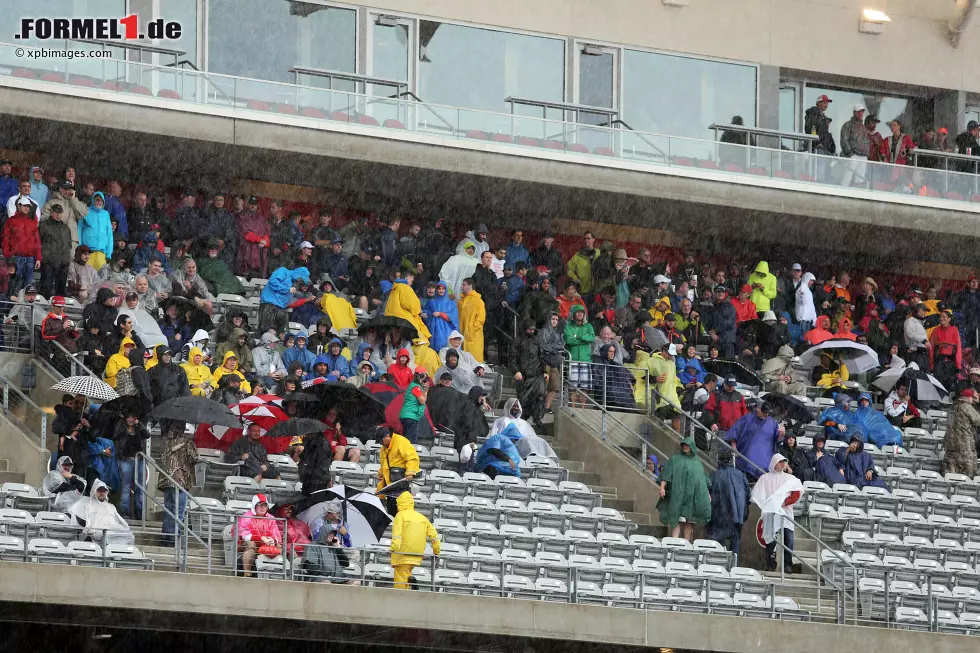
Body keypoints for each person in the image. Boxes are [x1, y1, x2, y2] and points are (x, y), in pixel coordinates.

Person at [751, 454, 803, 573]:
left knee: (788, 538)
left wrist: (784, 502)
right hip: (771, 512)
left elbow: (796, 493)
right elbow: (758, 494)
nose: (783, 464)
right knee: (770, 537)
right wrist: (767, 504)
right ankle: (770, 563)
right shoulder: (765, 478)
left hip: (785, 512)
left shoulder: (790, 479)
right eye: (781, 462)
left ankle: (787, 564)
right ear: (774, 463)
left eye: (785, 462)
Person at [657, 436, 711, 542]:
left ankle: (686, 543)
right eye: (684, 445)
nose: (685, 447)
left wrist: (707, 494)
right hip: (678, 495)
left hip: (692, 497)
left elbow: (702, 480)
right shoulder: (674, 459)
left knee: (689, 521)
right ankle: (674, 542)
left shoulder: (697, 462)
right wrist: (662, 487)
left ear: (692, 447)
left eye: (688, 445)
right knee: (676, 519)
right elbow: (666, 474)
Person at [390, 491, 441, 589]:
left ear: (400, 503)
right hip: (416, 554)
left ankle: (400, 598)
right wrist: (436, 551)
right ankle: (410, 590)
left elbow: (397, 534)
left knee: (400, 579)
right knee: (407, 575)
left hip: (402, 553)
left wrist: (393, 547)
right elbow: (434, 536)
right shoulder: (422, 517)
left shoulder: (400, 515)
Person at [705, 451, 750, 554]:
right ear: (731, 460)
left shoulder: (714, 475)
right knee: (735, 544)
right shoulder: (740, 475)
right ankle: (733, 567)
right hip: (736, 516)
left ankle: (719, 566)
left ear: (718, 460)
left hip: (718, 515)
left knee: (718, 545)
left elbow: (707, 494)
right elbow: (747, 494)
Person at [727, 401, 784, 481]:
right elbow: (734, 432)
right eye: (764, 412)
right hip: (746, 461)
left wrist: (781, 435)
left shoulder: (772, 422)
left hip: (765, 463)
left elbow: (778, 440)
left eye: (767, 412)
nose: (766, 414)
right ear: (757, 409)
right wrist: (734, 447)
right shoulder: (747, 419)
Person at [69, 479, 135, 546]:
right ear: (95, 491)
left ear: (106, 492)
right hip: (96, 532)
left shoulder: (111, 506)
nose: (102, 493)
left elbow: (120, 521)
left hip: (112, 531)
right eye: (99, 490)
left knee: (130, 536)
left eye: (104, 491)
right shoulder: (87, 503)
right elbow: (76, 512)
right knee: (106, 536)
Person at [112, 413, 150, 519]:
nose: (130, 419)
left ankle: (139, 513)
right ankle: (125, 513)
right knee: (126, 487)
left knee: (140, 488)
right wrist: (121, 422)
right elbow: (115, 435)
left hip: (140, 460)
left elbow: (147, 435)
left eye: (132, 417)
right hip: (126, 460)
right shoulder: (121, 428)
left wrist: (140, 425)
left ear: (135, 418)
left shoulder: (139, 428)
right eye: (128, 417)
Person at [376, 426, 421, 515]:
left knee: (402, 508)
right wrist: (381, 473)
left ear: (387, 436)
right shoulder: (383, 448)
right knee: (391, 509)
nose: (381, 444)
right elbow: (383, 463)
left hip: (401, 483)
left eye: (381, 441)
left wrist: (410, 473)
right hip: (390, 485)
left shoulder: (401, 441)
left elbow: (412, 458)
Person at [3, 197, 42, 297]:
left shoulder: (32, 223)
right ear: (18, 206)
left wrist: (38, 258)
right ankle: (11, 309)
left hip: (29, 258)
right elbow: (5, 238)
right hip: (16, 258)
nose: (26, 208)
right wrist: (8, 254)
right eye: (24, 205)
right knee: (13, 285)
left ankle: (25, 309)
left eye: (28, 206)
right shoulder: (11, 221)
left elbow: (37, 241)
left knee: (28, 286)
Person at [237, 493, 283, 578]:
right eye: (259, 505)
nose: (262, 507)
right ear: (254, 506)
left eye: (265, 505)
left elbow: (276, 535)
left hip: (266, 543)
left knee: (279, 546)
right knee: (251, 544)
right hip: (248, 543)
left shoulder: (271, 518)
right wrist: (261, 538)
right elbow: (245, 536)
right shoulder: (246, 516)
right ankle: (247, 572)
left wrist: (273, 540)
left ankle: (278, 573)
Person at [385, 272, 431, 342]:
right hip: (404, 320)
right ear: (408, 277)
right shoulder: (405, 287)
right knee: (419, 338)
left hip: (392, 319)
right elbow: (412, 306)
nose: (411, 283)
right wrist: (419, 311)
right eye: (411, 280)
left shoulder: (395, 288)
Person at [944, 387, 980, 477]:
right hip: (965, 442)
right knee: (967, 467)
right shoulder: (967, 407)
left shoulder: (952, 407)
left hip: (950, 442)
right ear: (968, 398)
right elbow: (978, 420)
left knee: (951, 467)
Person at [79, 192, 113, 271]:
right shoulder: (86, 211)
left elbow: (109, 234)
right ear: (93, 200)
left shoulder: (106, 214)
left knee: (101, 280)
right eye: (97, 200)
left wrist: (109, 253)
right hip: (87, 252)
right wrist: (80, 249)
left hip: (101, 253)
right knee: (86, 279)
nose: (99, 202)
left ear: (103, 202)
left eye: (101, 200)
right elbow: (79, 230)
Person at [840, 103, 870, 188]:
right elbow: (844, 139)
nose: (861, 114)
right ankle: (842, 193)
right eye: (859, 112)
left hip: (863, 156)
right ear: (854, 112)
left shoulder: (863, 127)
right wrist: (850, 153)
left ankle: (857, 195)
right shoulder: (848, 125)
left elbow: (866, 141)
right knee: (847, 177)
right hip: (853, 155)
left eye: (862, 112)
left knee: (860, 180)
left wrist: (866, 154)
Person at [423, 280, 459, 353]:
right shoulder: (431, 302)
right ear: (436, 290)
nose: (441, 290)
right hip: (434, 330)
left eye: (443, 289)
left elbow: (454, 317)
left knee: (447, 350)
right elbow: (427, 313)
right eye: (439, 289)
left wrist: (440, 314)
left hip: (447, 331)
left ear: (445, 290)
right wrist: (427, 314)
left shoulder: (451, 303)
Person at [457, 278, 486, 363]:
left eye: (464, 284)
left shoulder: (478, 301)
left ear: (470, 286)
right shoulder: (461, 301)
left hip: (474, 335)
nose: (462, 286)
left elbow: (481, 319)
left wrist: (471, 329)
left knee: (474, 360)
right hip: (463, 334)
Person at [399, 367, 429, 444]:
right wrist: (425, 391)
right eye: (423, 377)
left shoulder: (414, 385)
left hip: (408, 416)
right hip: (410, 416)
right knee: (410, 440)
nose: (424, 380)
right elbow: (422, 401)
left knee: (408, 439)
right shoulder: (416, 387)